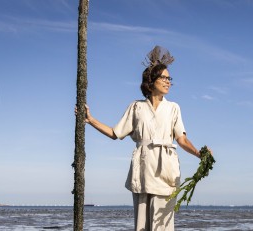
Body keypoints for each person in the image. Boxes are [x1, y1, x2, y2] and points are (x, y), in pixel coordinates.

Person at [82, 46, 209, 230]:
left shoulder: (174, 108)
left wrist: (200, 154)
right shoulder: (136, 107)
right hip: (142, 170)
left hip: (165, 170)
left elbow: (181, 139)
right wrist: (90, 120)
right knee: (142, 226)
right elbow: (114, 133)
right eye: (164, 78)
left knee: (162, 225)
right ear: (151, 81)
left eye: (169, 78)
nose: (168, 82)